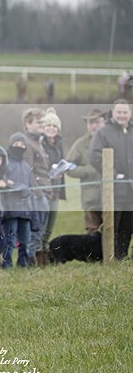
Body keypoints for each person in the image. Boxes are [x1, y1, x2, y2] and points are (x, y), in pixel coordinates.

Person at [90, 99, 133, 259]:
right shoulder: (103, 133)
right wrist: (113, 174)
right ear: (113, 113)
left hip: (131, 191)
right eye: (119, 112)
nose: (122, 115)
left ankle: (121, 257)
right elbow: (95, 156)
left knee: (128, 226)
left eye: (125, 112)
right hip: (113, 190)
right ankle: (108, 258)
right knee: (112, 225)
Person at [66, 108, 106, 233]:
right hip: (90, 198)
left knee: (112, 231)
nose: (94, 126)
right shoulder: (80, 144)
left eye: (97, 122)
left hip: (113, 197)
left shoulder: (112, 140)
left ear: (104, 122)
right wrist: (88, 171)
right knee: (91, 234)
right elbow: (68, 166)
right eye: (90, 123)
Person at [21, 107, 52, 266]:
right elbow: (28, 170)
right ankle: (29, 263)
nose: (42, 125)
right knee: (35, 231)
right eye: (39, 122)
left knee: (40, 231)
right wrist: (38, 192)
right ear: (28, 124)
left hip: (44, 192)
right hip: (37, 195)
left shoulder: (39, 142)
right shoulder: (27, 143)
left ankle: (32, 262)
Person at [3, 133, 33, 267]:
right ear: (11, 145)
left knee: (25, 240)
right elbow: (4, 184)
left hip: (25, 209)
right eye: (16, 144)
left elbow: (30, 186)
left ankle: (23, 264)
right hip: (10, 208)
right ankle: (7, 264)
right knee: (10, 239)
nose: (19, 146)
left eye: (22, 144)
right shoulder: (6, 164)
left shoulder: (27, 167)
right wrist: (17, 187)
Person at [41, 107, 66, 254]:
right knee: (42, 225)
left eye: (54, 126)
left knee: (50, 225)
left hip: (56, 189)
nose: (51, 128)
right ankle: (37, 256)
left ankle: (45, 253)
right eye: (48, 125)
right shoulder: (40, 145)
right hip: (44, 190)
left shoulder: (59, 144)